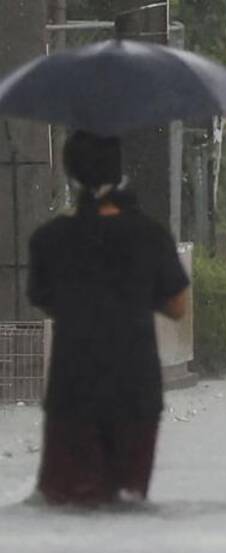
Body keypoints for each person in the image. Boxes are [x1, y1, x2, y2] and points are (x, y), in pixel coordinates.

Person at [26, 131, 190, 507]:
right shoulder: (150, 236)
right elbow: (177, 306)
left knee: (65, 500)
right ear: (120, 174)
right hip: (136, 391)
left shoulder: (49, 240)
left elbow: (45, 300)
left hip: (72, 390)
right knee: (128, 501)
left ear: (70, 173)